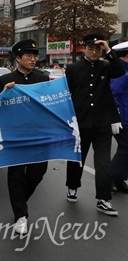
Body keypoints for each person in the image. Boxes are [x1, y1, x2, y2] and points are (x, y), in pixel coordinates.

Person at [0, 39, 50, 234]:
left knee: (37, 173)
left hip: (39, 135)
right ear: (18, 58)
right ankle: (21, 215)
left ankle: (20, 201)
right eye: (28, 56)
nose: (32, 59)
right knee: (15, 175)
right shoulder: (6, 80)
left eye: (34, 56)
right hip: (14, 135)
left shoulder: (43, 78)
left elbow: (51, 102)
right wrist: (5, 93)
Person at [65, 33, 124, 216]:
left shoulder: (106, 66)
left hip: (102, 122)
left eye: (97, 49)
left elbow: (120, 71)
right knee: (77, 159)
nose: (94, 52)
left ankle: (103, 199)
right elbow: (67, 94)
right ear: (84, 48)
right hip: (80, 121)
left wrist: (109, 50)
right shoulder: (73, 68)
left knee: (103, 162)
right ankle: (72, 187)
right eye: (91, 48)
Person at [110, 41, 128, 193]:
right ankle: (111, 177)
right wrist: (115, 116)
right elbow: (113, 94)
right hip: (122, 118)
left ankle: (120, 179)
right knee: (126, 147)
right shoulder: (121, 71)